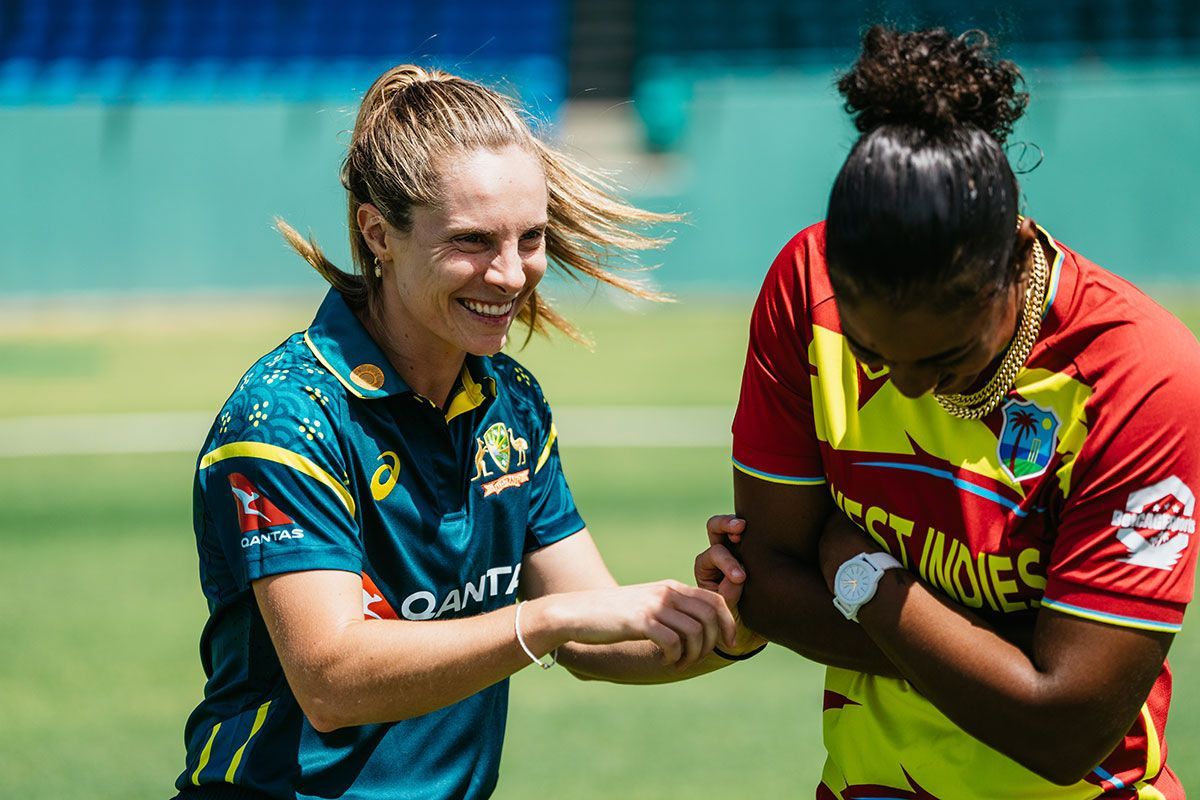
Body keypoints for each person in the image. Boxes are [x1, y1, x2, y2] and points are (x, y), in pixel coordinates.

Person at [173, 65, 763, 800]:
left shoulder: (509, 402)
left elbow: (590, 637)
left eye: (532, 238)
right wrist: (544, 619)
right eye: (474, 241)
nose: (513, 275)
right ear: (377, 234)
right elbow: (331, 682)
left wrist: (737, 620)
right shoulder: (288, 414)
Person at [698, 26, 1200, 798]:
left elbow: (1067, 730)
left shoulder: (1142, 377)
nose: (902, 387)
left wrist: (856, 569)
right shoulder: (806, 288)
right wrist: (1016, 658)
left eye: (945, 359)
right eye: (870, 352)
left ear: (1015, 258)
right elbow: (761, 582)